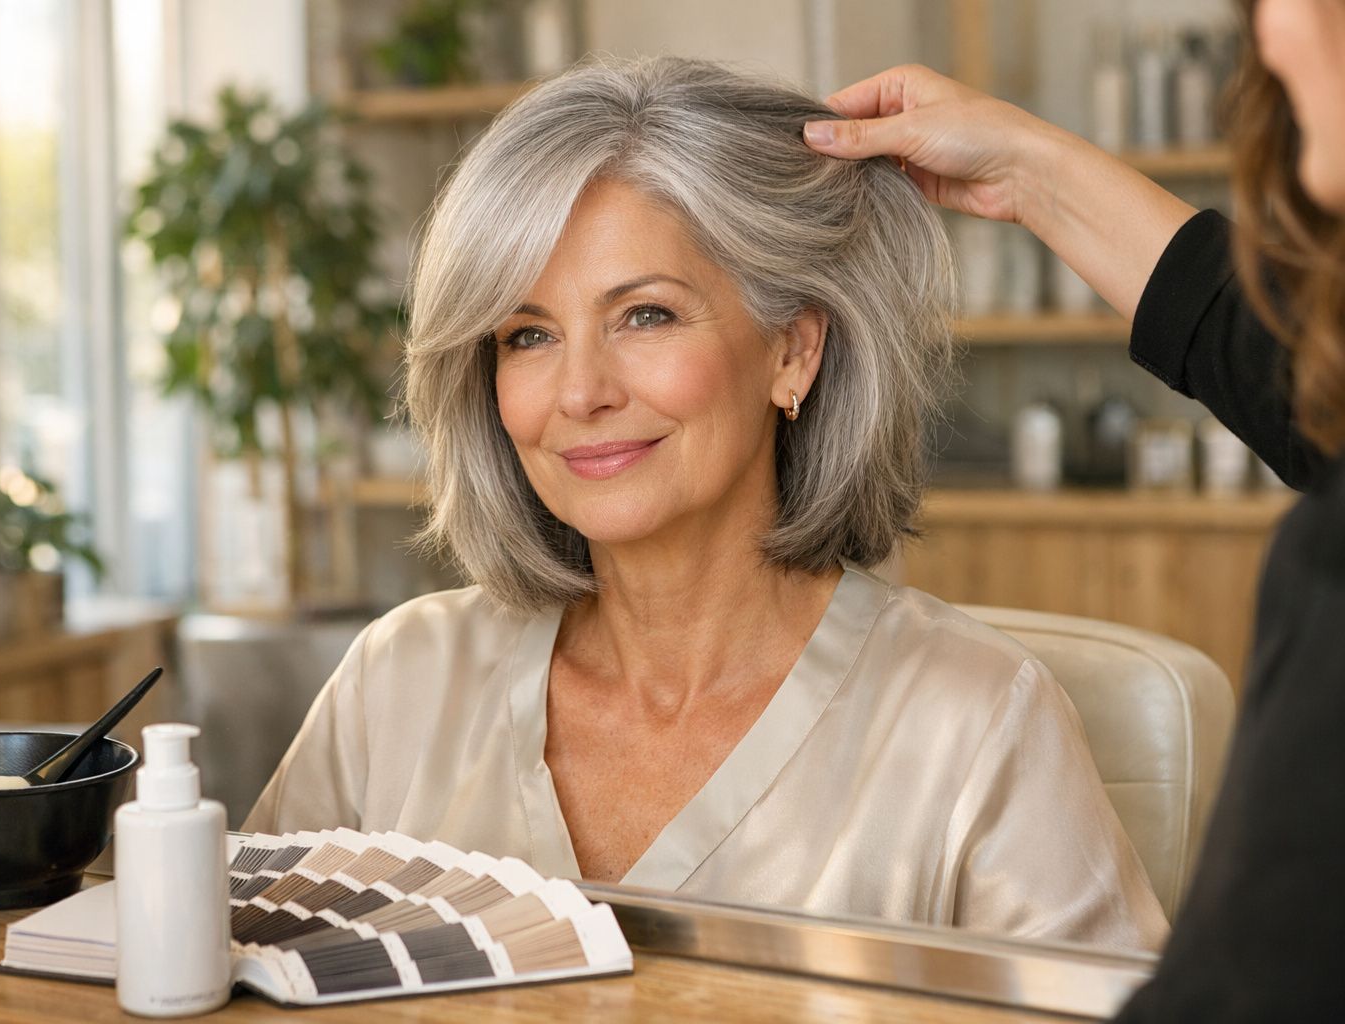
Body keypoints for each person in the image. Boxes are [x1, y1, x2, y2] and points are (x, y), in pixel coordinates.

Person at [245, 56, 1166, 950]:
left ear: (792, 351)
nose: (580, 393)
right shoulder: (397, 683)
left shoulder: (977, 720)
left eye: (646, 314)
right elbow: (233, 982)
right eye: (527, 334)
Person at [800, 1, 1345, 1018]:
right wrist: (1024, 165)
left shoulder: (978, 710)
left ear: (795, 349)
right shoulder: (416, 667)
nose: (1273, 41)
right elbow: (1301, 385)